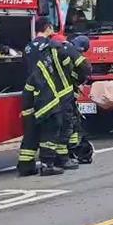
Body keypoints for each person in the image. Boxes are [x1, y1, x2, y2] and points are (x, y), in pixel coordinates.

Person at [18, 18, 78, 176]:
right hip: (48, 93)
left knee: (31, 130)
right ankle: (48, 163)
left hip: (29, 93)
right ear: (48, 28)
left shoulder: (28, 48)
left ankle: (25, 165)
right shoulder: (50, 47)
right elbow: (64, 67)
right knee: (52, 127)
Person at [59, 35, 93, 164]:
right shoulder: (73, 53)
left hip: (57, 95)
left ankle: (69, 151)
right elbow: (86, 69)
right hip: (66, 95)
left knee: (68, 123)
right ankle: (69, 152)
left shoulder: (61, 49)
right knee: (70, 123)